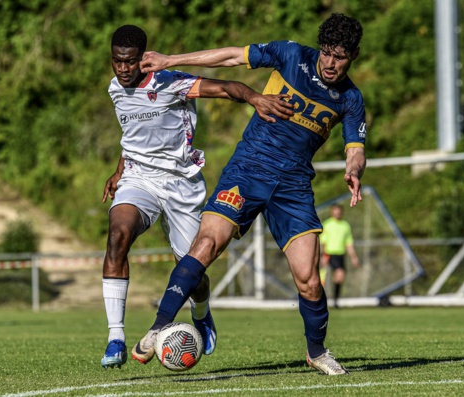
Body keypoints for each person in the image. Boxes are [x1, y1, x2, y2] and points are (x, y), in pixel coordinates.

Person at [134, 13, 367, 376]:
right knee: (206, 245)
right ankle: (158, 327)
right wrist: (170, 61)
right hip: (248, 170)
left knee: (308, 279)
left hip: (293, 186)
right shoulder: (290, 55)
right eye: (327, 53)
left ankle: (317, 351)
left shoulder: (350, 98)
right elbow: (231, 56)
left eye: (340, 56)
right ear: (319, 48)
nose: (331, 62)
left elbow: (355, 148)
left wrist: (354, 170)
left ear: (353, 56)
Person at [99, 25, 294, 370]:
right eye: (117, 61)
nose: (122, 69)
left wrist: (255, 98)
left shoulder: (169, 82)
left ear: (143, 58)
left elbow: (224, 88)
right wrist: (119, 171)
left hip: (181, 184)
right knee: (117, 236)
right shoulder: (115, 88)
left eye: (129, 62)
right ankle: (116, 337)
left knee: (192, 273)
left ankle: (201, 313)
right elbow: (131, 135)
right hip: (139, 179)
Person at [319, 204, 360, 307]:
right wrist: (323, 255)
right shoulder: (327, 224)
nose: (337, 213)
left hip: (340, 254)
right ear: (332, 212)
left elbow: (349, 243)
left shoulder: (345, 225)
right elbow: (322, 242)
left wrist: (354, 257)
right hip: (329, 254)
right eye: (335, 211)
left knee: (339, 277)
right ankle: (317, 301)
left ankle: (335, 300)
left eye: (339, 211)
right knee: (323, 278)